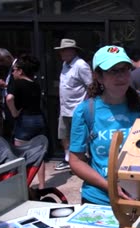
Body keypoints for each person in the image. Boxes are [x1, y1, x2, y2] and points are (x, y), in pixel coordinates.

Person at [69, 45, 140, 205]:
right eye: (113, 71)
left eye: (125, 69)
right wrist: (109, 186)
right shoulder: (86, 110)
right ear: (98, 76)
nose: (121, 76)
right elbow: (76, 161)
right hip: (98, 198)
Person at [6, 54, 47, 189]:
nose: (13, 72)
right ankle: (41, 185)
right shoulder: (35, 84)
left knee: (20, 154)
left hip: (24, 120)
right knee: (39, 154)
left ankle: (23, 184)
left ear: (21, 70)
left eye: (14, 69)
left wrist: (14, 112)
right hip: (38, 119)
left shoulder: (16, 83)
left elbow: (9, 98)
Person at [54, 38, 92, 171]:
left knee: (79, 137)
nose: (61, 53)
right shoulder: (65, 64)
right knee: (64, 135)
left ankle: (80, 162)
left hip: (77, 108)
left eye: (64, 50)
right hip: (64, 108)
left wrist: (85, 105)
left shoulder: (81, 65)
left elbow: (91, 86)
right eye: (61, 51)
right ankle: (67, 159)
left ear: (73, 51)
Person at [0, 48, 17, 140]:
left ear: (8, 57)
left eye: (2, 60)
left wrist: (5, 85)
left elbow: (19, 85)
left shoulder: (17, 66)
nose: (1, 63)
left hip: (14, 104)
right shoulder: (10, 68)